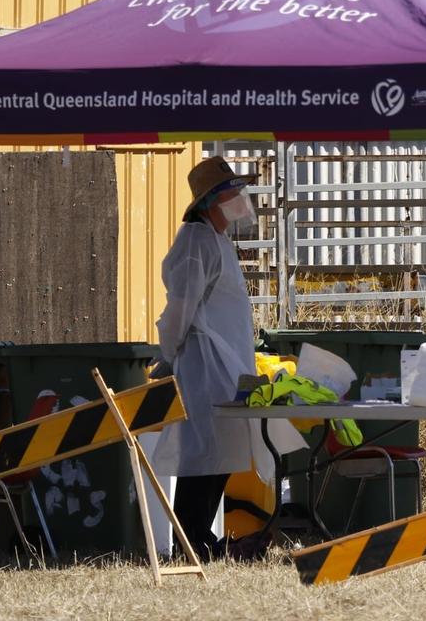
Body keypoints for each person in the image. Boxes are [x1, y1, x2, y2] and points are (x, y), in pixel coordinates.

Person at [152, 156, 306, 558]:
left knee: (219, 453)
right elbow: (181, 308)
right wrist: (168, 354)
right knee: (202, 455)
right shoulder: (195, 241)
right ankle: (190, 540)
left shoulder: (215, 239)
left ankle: (199, 540)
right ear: (209, 202)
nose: (237, 199)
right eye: (227, 193)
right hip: (204, 364)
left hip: (225, 362)